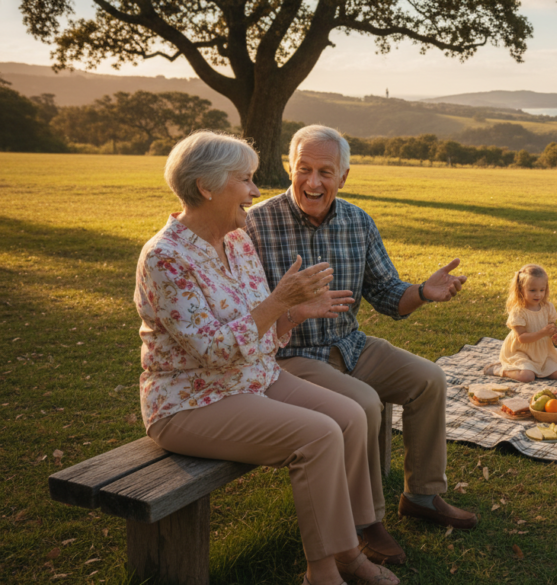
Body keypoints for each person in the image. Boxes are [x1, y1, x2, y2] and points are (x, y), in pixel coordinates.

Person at [135, 131, 398, 585]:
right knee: (317, 435)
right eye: (246, 179)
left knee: (352, 416)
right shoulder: (165, 258)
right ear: (207, 187)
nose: (256, 191)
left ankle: (349, 550)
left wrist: (292, 312)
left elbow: (259, 327)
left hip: (253, 376)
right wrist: (278, 304)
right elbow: (214, 352)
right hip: (191, 402)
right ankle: (324, 570)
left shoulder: (236, 240)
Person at [245, 125, 477, 567]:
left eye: (325, 172)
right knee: (366, 403)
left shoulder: (357, 221)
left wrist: (423, 292)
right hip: (292, 354)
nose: (314, 182)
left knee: (429, 379)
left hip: (350, 344)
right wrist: (292, 307)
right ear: (290, 169)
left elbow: (389, 294)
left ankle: (423, 496)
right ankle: (366, 522)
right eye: (304, 169)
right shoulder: (256, 225)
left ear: (344, 177)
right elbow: (245, 313)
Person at [485, 264, 557, 382]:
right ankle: (499, 370)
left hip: (541, 352)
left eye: (541, 290)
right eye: (532, 290)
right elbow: (522, 338)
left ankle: (535, 369)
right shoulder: (519, 311)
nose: (538, 294)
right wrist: (543, 332)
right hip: (521, 352)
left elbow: (550, 329)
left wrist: (555, 336)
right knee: (527, 377)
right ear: (521, 290)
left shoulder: (548, 308)